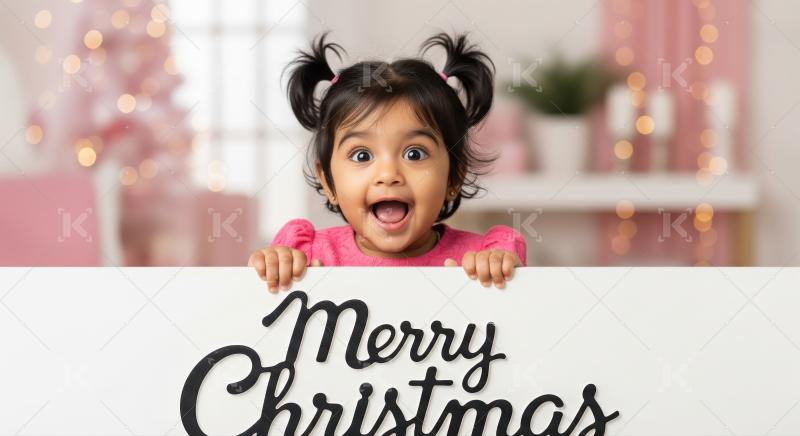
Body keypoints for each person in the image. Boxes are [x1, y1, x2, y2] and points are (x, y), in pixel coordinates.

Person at [249, 32, 526, 292]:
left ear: (454, 176)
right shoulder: (304, 257)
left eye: (414, 154)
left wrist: (498, 272)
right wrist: (274, 266)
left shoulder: (478, 261)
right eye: (362, 155)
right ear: (328, 181)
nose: (389, 174)